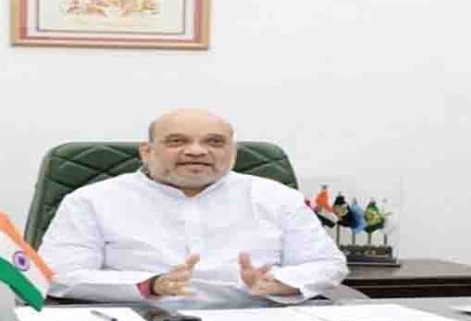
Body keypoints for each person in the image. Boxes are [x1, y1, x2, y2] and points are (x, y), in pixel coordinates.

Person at [39, 109, 348, 305]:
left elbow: (327, 263)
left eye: (214, 142)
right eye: (177, 141)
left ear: (233, 153)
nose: (197, 151)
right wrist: (151, 285)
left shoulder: (277, 197)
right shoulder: (91, 200)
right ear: (146, 152)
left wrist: (280, 282)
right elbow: (58, 275)